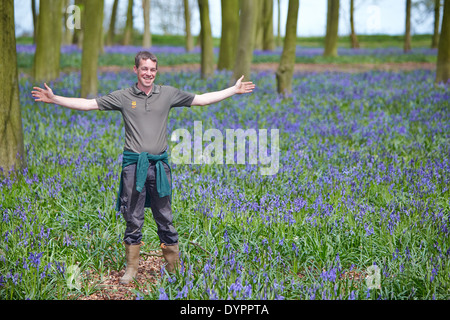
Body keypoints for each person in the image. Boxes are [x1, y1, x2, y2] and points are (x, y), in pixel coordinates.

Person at [31, 51, 255, 285]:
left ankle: (173, 267)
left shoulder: (167, 94)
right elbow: (89, 104)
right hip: (133, 167)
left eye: (152, 70)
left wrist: (233, 90)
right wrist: (55, 99)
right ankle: (131, 269)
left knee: (165, 217)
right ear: (135, 70)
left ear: (156, 71)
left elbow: (202, 98)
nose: (148, 73)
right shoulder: (123, 97)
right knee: (133, 217)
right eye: (144, 69)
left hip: (160, 167)